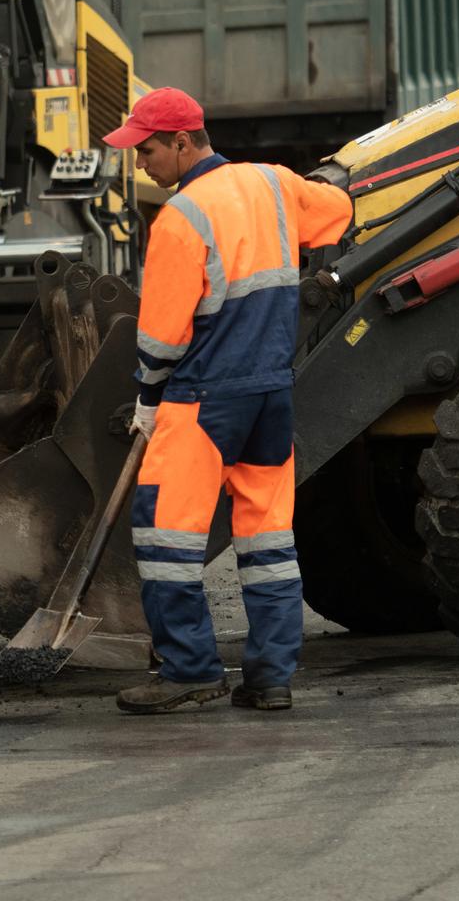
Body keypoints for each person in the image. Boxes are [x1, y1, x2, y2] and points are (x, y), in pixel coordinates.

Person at [103, 87, 354, 714]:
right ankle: (270, 678)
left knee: (166, 538)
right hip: (271, 395)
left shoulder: (181, 218)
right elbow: (340, 209)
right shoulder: (273, 184)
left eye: (150, 150)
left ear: (184, 142)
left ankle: (189, 670)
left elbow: (162, 336)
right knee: (268, 540)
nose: (142, 165)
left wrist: (146, 398)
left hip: (203, 399)